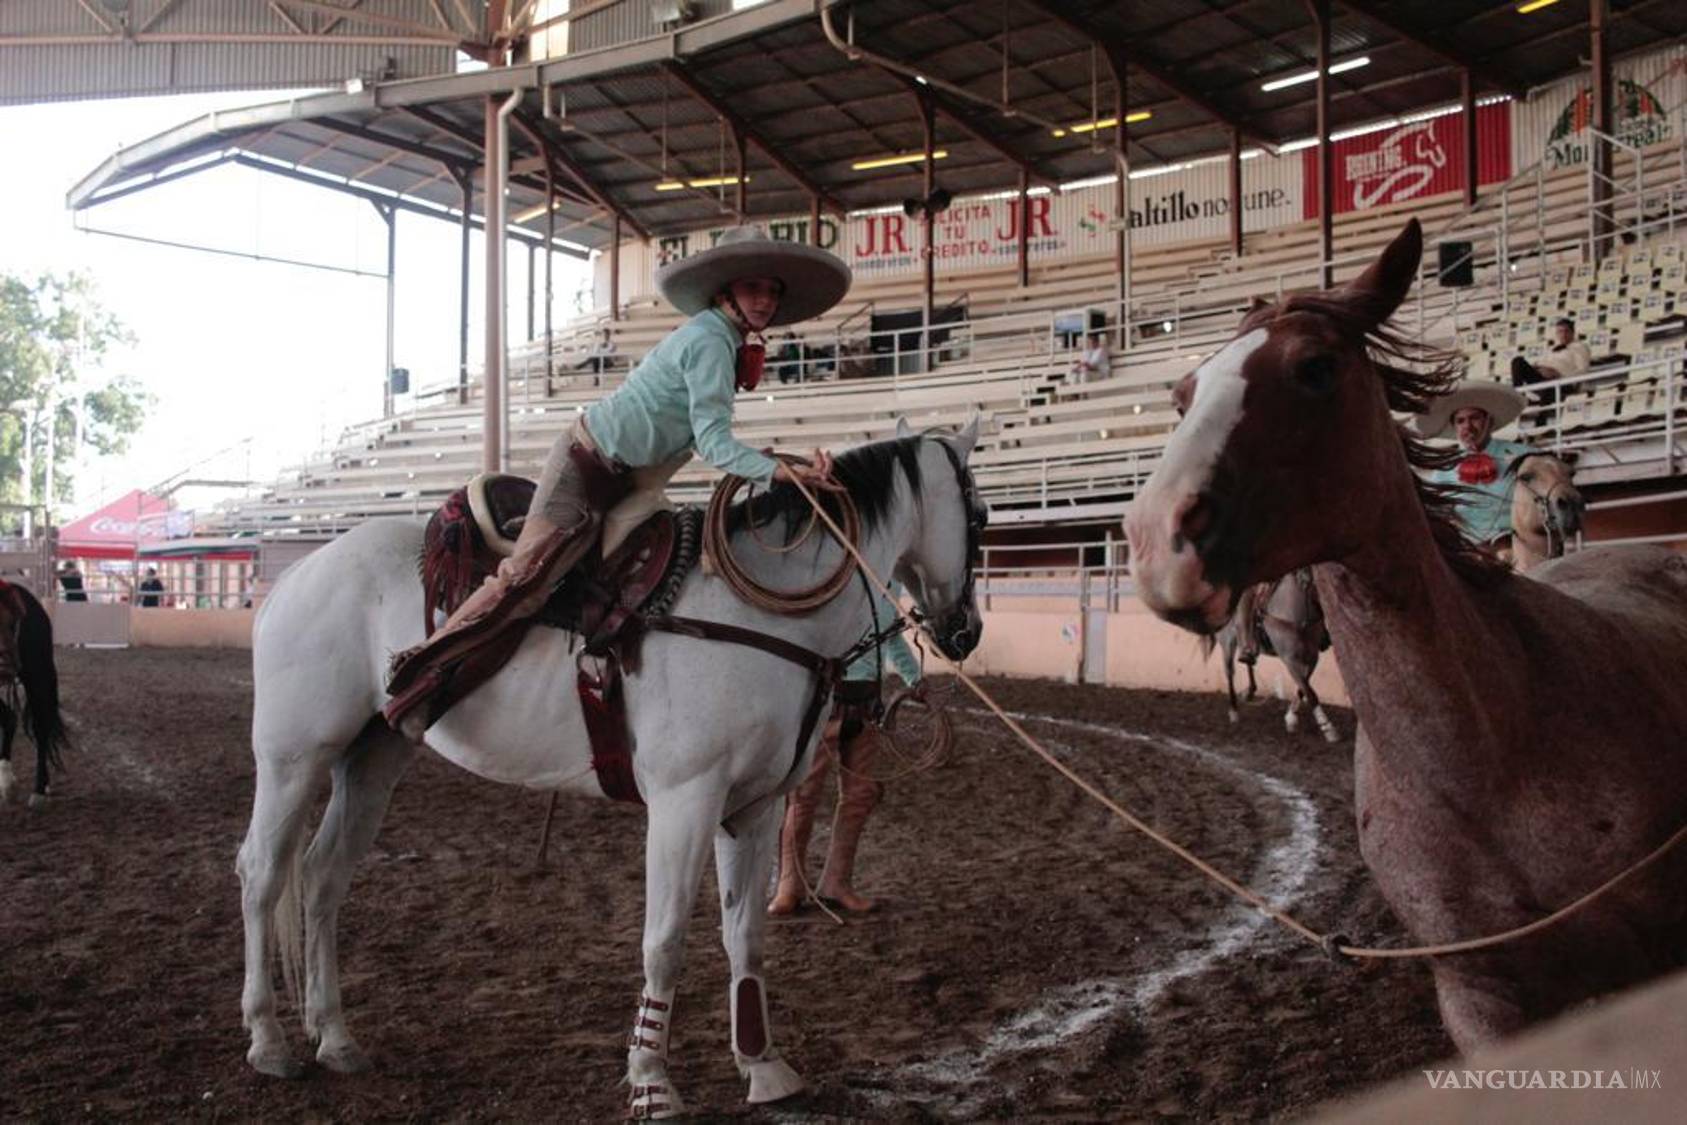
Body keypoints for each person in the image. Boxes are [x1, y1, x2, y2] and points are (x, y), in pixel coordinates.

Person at [383, 226, 852, 740]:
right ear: (726, 292)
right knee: (525, 582)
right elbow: (714, 443)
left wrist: (773, 464)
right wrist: (782, 471)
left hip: (630, 479)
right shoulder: (711, 342)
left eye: (772, 291)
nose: (764, 299)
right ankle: (420, 673)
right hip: (586, 469)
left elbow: (706, 437)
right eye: (753, 288)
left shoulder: (719, 338)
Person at [769, 582, 922, 916]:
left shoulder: (887, 586)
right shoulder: (830, 579)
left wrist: (916, 679)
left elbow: (891, 640)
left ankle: (837, 883)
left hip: (866, 706)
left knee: (859, 795)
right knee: (803, 795)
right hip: (824, 705)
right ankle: (789, 885)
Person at [1416, 383, 1535, 546]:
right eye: (1460, 421)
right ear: (1455, 427)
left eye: (1474, 418)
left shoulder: (1523, 456)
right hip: (1468, 549)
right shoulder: (1443, 470)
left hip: (1518, 544)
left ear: (1489, 421)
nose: (1468, 426)